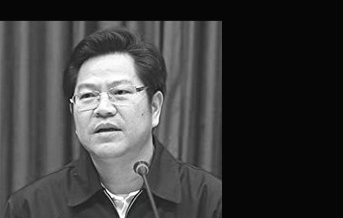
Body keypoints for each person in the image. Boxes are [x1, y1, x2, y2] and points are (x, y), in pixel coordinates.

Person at [3, 27, 222, 218]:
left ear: (154, 107)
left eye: (120, 92)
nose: (103, 108)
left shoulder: (210, 202)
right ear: (72, 111)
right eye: (88, 95)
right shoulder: (31, 207)